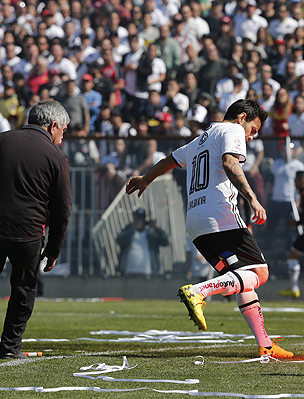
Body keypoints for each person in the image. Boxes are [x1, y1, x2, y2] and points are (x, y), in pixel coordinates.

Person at [125, 99, 293, 358]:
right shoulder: (232, 130)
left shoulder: (200, 139)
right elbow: (230, 163)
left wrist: (146, 178)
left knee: (242, 280)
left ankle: (265, 344)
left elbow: (170, 160)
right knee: (260, 272)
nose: (250, 136)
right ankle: (199, 291)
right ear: (241, 118)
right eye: (253, 129)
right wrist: (253, 199)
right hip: (221, 216)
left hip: (196, 222)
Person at [0, 101, 71, 359]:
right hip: (29, 233)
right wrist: (54, 249)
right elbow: (62, 209)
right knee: (24, 290)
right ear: (53, 125)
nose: (62, 137)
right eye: (63, 131)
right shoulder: (57, 156)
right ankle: (10, 349)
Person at [116, 208, 169, 278]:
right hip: (128, 274)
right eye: (137, 219)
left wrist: (157, 228)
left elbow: (166, 242)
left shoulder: (151, 234)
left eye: (141, 219)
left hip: (148, 274)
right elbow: (119, 241)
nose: (139, 221)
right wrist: (132, 229)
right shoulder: (128, 230)